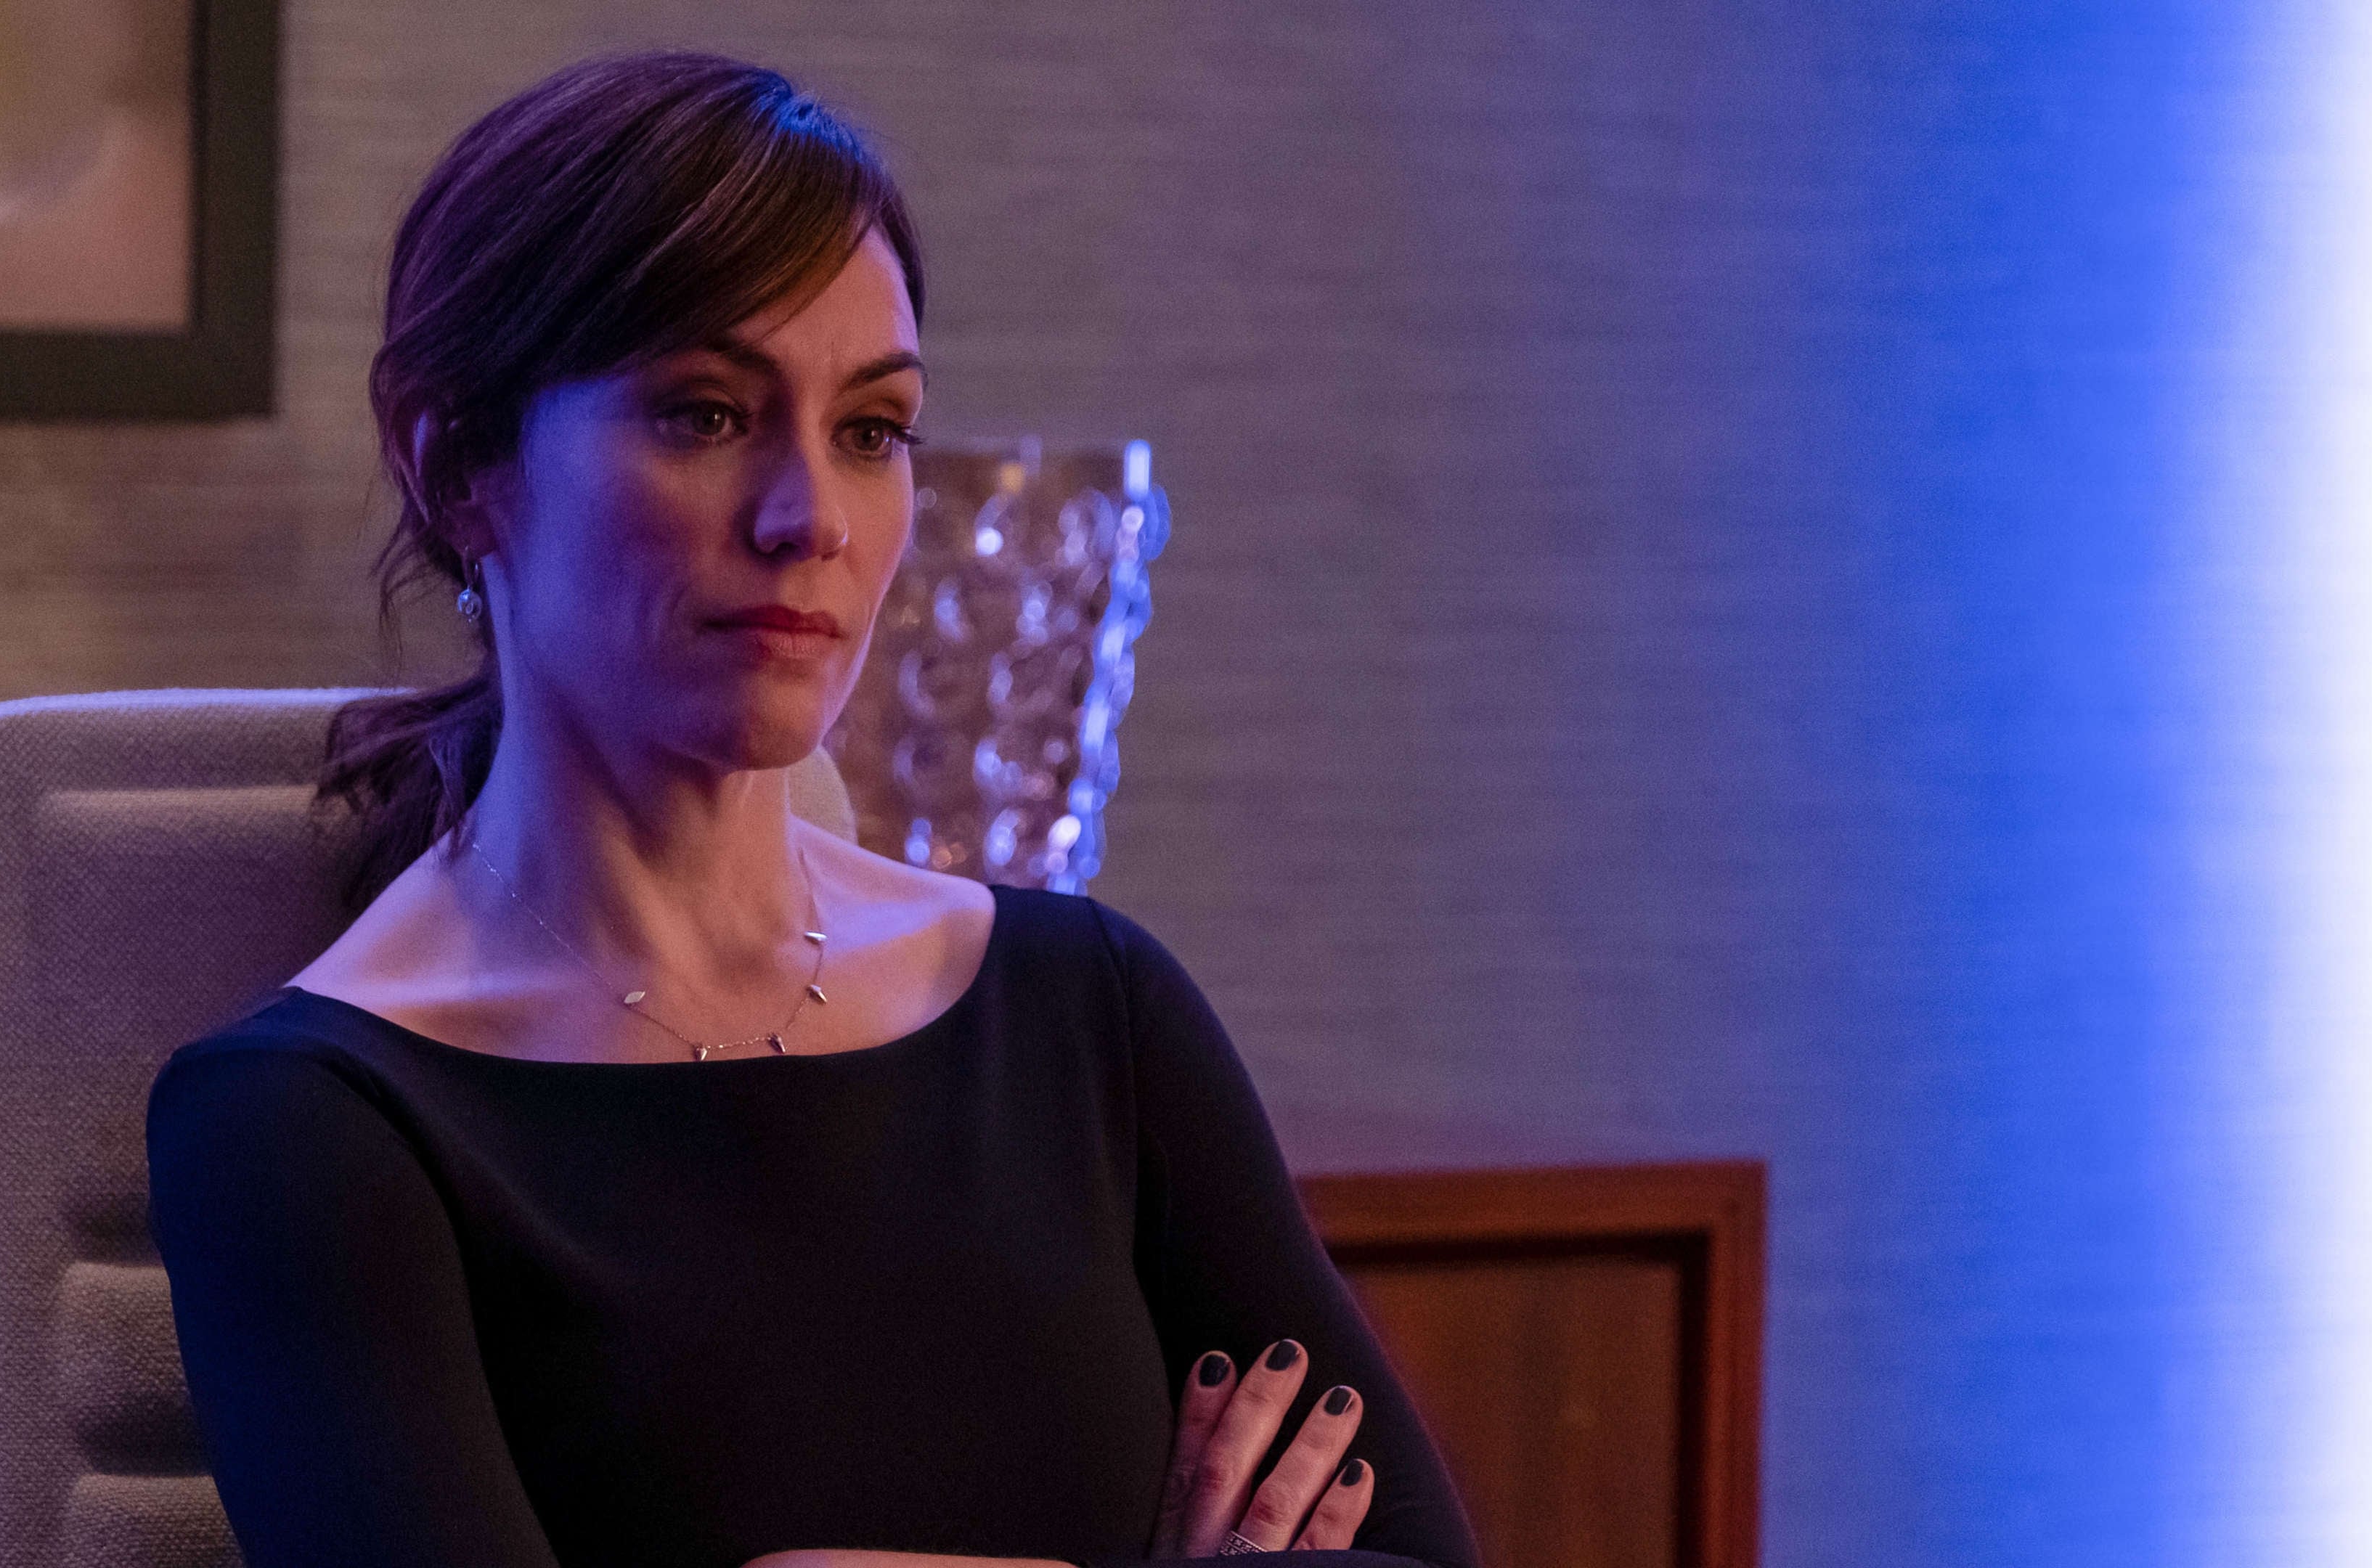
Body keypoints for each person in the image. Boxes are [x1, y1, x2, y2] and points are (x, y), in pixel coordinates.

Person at [144, 52, 1482, 1568]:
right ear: (454, 463)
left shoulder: (1091, 1014)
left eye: (872, 430)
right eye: (706, 414)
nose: (814, 520)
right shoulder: (303, 1128)